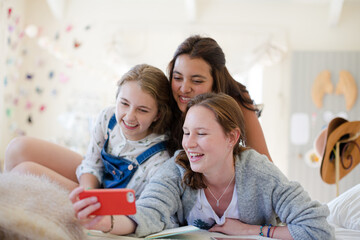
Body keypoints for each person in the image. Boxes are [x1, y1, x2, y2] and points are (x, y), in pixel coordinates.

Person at [70, 93, 334, 240]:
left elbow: (318, 229)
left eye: (202, 134)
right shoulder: (177, 169)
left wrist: (253, 231)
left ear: (231, 137)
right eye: (186, 133)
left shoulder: (259, 172)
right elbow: (149, 213)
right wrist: (107, 221)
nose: (190, 144)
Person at [5, 64, 172, 195]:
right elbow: (92, 163)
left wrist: (91, 201)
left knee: (25, 171)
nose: (129, 116)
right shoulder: (108, 117)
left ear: (157, 115)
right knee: (17, 148)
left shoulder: (159, 159)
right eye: (124, 103)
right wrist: (87, 191)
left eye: (142, 110)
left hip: (113, 208)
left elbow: (139, 208)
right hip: (93, 185)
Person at [166, 35, 272, 161]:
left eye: (197, 81)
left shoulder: (236, 99)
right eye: (177, 78)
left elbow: (265, 163)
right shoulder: (163, 101)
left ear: (215, 82)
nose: (184, 89)